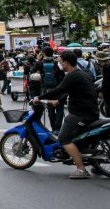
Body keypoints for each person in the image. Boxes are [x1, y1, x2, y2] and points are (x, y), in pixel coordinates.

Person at [33, 50, 100, 179]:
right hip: (90, 111)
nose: (59, 64)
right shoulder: (81, 73)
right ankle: (95, 164)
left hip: (81, 114)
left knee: (64, 139)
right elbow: (70, 91)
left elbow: (59, 89)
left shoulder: (72, 75)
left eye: (60, 62)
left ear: (66, 63)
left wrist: (39, 98)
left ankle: (81, 169)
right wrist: (59, 101)